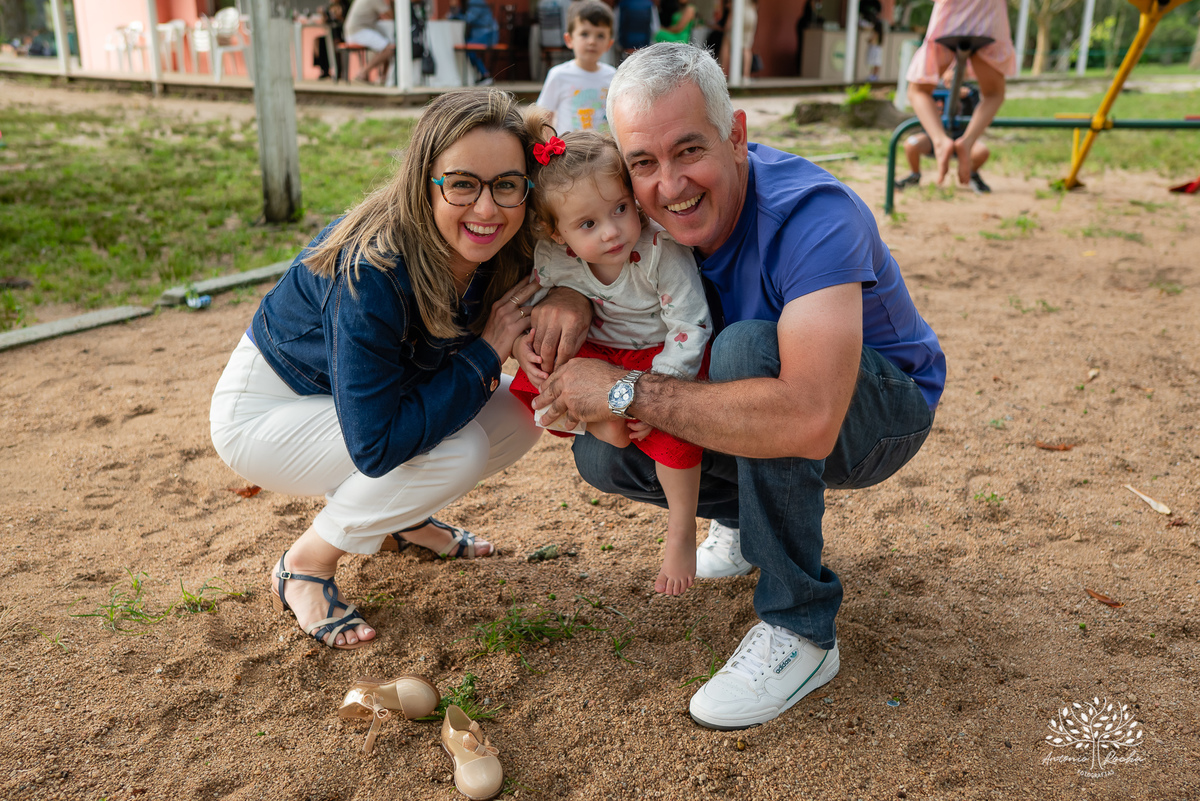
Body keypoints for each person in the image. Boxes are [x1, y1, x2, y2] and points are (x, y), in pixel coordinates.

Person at [525, 43, 944, 730]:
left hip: (878, 413)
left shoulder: (813, 215)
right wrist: (569, 300)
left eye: (689, 149)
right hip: (765, 395)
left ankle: (801, 627)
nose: (669, 185)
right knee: (602, 452)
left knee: (748, 345)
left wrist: (625, 390)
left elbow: (809, 417)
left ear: (737, 135)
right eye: (644, 165)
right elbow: (567, 237)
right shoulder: (638, 221)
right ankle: (749, 520)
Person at [209, 90, 546, 650]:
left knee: (520, 413)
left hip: (368, 401)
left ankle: (402, 521)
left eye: (505, 185)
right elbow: (376, 445)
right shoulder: (373, 267)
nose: (487, 209)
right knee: (454, 451)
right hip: (271, 410)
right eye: (463, 183)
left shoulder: (507, 243)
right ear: (425, 183)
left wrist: (565, 304)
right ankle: (304, 566)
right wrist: (487, 352)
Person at [509, 131, 711, 596]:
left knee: (674, 435)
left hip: (661, 357)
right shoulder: (555, 258)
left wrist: (656, 389)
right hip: (599, 355)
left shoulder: (659, 251)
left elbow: (690, 323)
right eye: (587, 224)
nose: (611, 231)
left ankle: (681, 531)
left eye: (620, 208)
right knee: (545, 380)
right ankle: (607, 421)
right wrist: (524, 343)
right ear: (558, 233)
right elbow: (530, 303)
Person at [905, 0, 1015, 187]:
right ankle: (968, 141)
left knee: (918, 91)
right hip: (988, 23)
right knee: (994, 94)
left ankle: (939, 141)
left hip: (948, 22)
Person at [535, 0, 617, 134]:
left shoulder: (613, 76)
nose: (592, 41)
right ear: (569, 39)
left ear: (609, 44)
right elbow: (544, 117)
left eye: (600, 35)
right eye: (584, 34)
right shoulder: (559, 75)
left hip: (604, 151)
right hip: (569, 151)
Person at [896, 85, 991, 193]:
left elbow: (980, 113)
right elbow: (918, 98)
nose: (951, 72)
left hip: (961, 137)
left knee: (982, 151)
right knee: (910, 143)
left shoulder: (970, 90)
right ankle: (914, 175)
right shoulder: (932, 87)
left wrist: (967, 98)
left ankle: (972, 174)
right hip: (933, 137)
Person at [343, 0, 396, 83]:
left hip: (354, 31)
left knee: (388, 44)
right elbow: (391, 15)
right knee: (390, 49)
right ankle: (363, 73)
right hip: (358, 31)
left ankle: (383, 76)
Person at [453, 0, 501, 85]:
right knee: (469, 48)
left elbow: (469, 18)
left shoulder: (476, 2)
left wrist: (452, 14)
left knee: (469, 48)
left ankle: (485, 75)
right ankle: (482, 74)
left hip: (488, 34)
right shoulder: (468, 3)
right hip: (480, 34)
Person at [717, 0, 758, 78]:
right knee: (747, 48)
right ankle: (746, 76)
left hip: (739, 13)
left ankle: (723, 73)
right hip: (752, 14)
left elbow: (732, 4)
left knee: (726, 42)